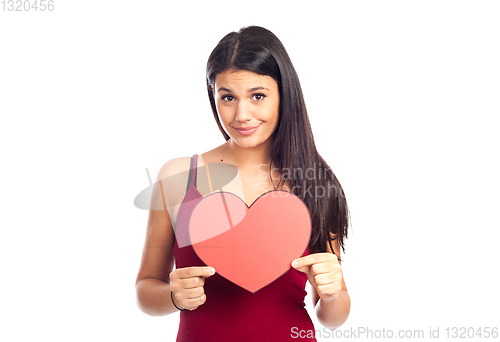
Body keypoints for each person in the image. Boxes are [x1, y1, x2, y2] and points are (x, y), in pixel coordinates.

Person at [135, 25, 351, 341]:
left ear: (283, 94)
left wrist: (332, 294)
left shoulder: (316, 182)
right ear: (214, 97)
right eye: (228, 97)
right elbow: (146, 287)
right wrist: (172, 297)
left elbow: (333, 316)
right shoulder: (179, 177)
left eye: (258, 96)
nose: (242, 114)